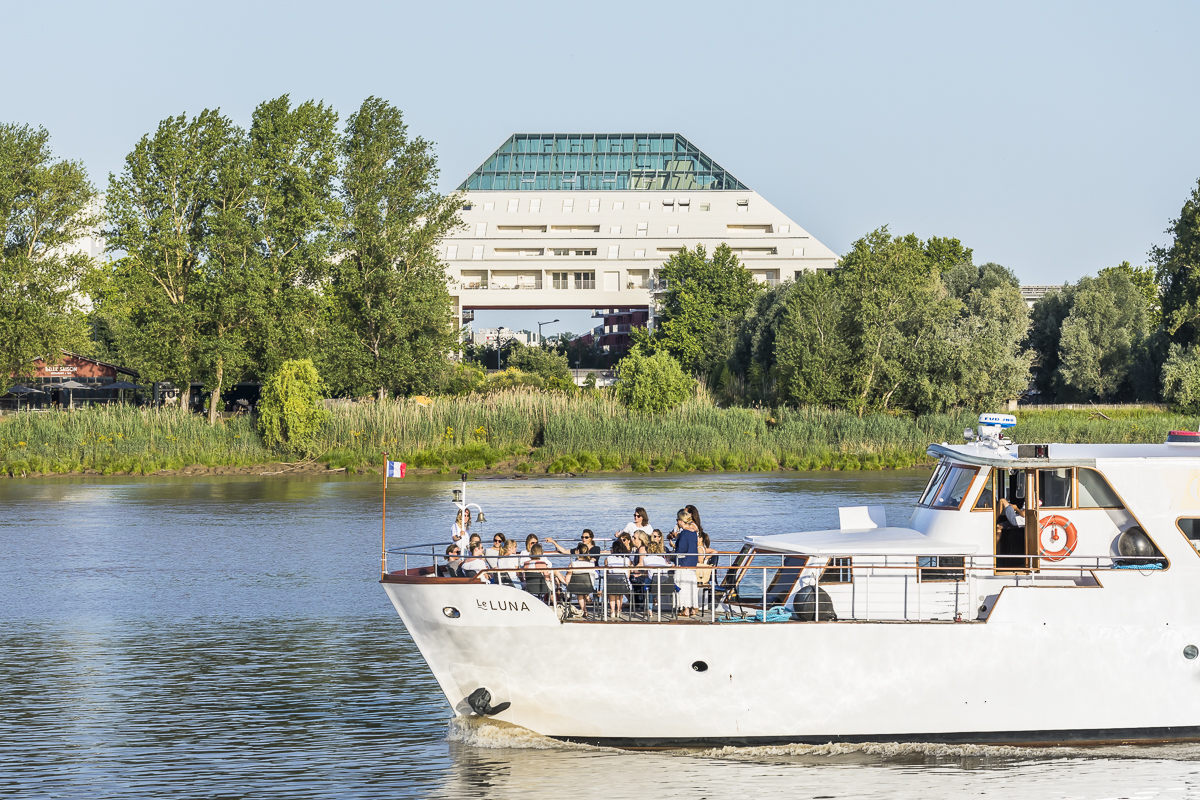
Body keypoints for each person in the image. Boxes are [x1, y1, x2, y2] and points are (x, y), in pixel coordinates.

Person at [673, 509, 700, 617]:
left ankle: (686, 610)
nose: (677, 522)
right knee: (690, 586)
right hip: (692, 562)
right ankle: (692, 608)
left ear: (681, 521)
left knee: (682, 585)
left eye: (677, 520)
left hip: (683, 563)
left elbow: (681, 549)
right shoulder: (694, 533)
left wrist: (674, 556)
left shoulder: (684, 533)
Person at [604, 539, 634, 619]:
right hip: (623, 582)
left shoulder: (608, 559)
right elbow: (628, 575)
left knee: (611, 594)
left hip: (612, 581)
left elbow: (606, 572)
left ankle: (612, 611)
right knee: (620, 594)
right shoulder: (627, 560)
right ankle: (619, 610)